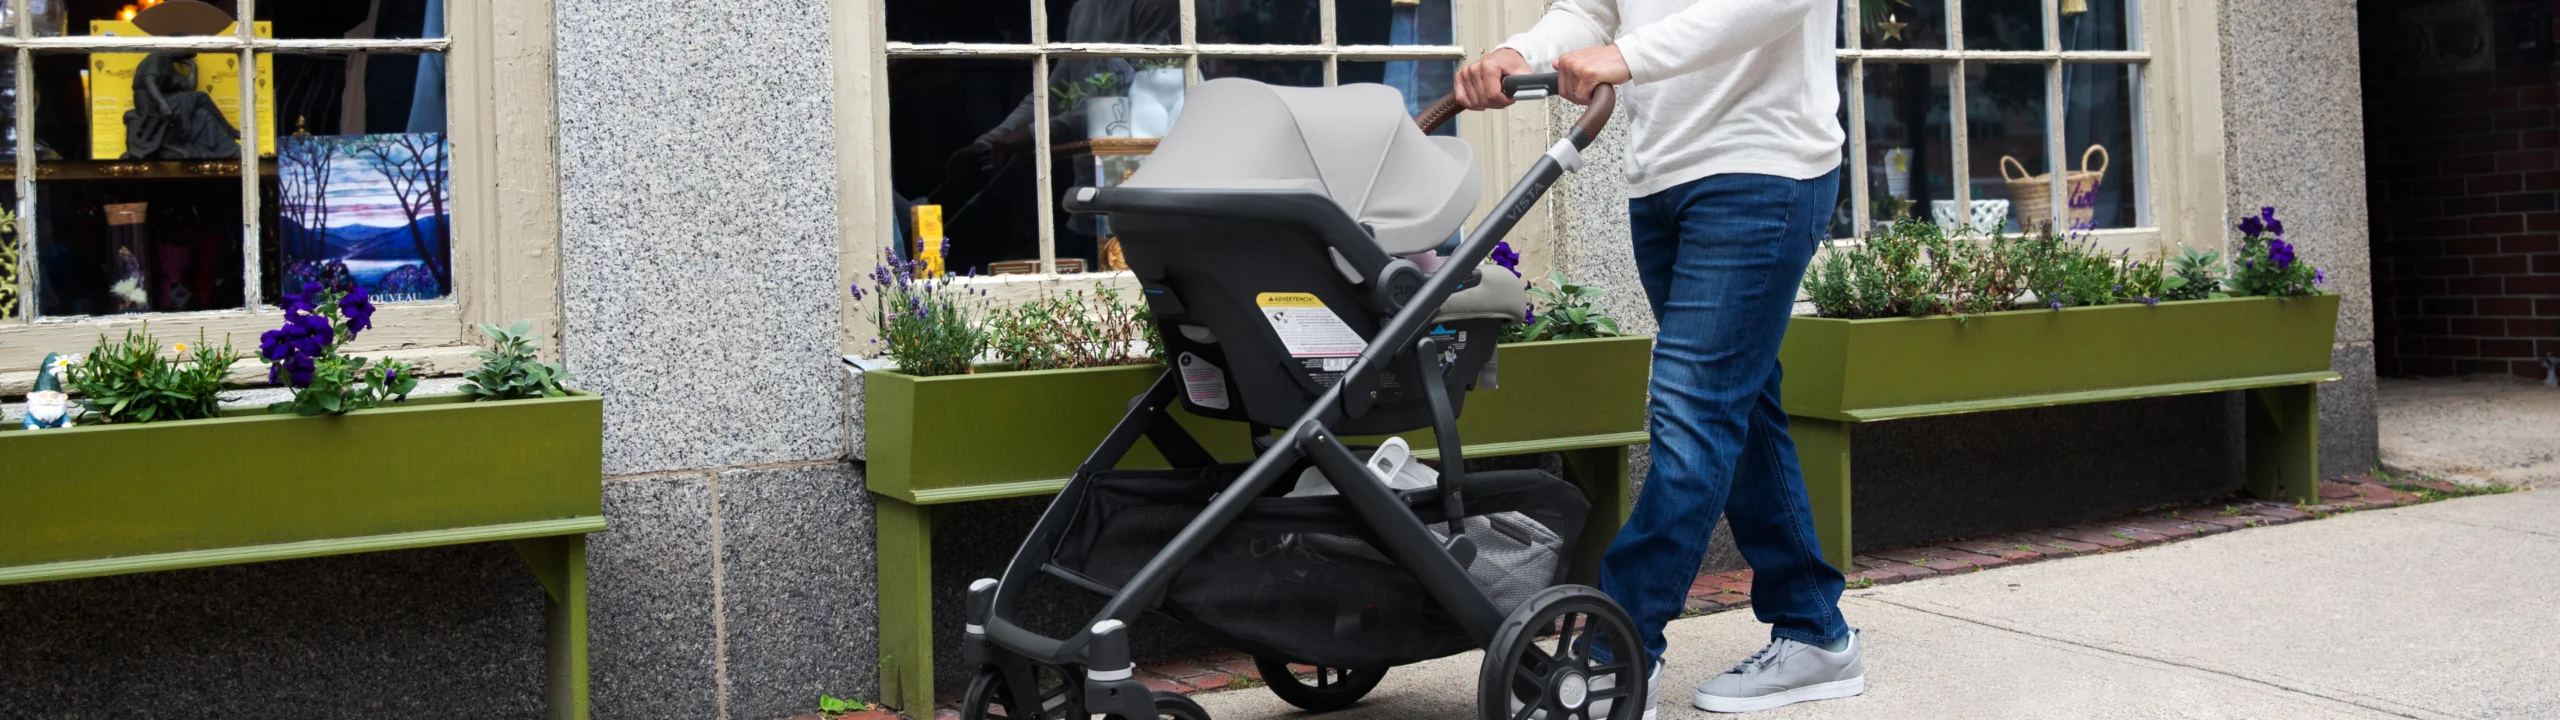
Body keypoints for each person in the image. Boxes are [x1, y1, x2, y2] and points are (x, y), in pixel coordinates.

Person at [1457, 0, 1860, 715]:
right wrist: (1527, 49)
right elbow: (1594, 8)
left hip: (1762, 169)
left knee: (1692, 410)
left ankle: (1617, 652)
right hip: (1663, 178)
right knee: (1743, 401)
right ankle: (1814, 631)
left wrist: (1631, 57)